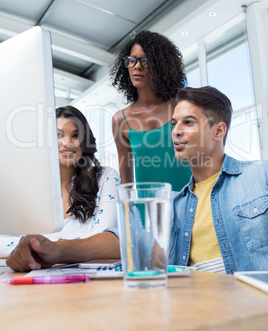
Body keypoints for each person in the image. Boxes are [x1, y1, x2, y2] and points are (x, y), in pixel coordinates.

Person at [5, 105, 120, 271]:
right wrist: (37, 249)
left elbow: (111, 241)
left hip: (88, 285)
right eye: (58, 135)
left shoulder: (105, 178)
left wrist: (52, 249)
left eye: (75, 135)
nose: (67, 143)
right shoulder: (23, 189)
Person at [169, 86, 268, 274]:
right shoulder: (174, 206)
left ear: (218, 131)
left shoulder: (262, 175)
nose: (176, 132)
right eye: (174, 124)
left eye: (188, 122)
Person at [110, 30, 191, 191]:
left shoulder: (183, 104)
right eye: (132, 60)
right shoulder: (120, 120)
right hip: (149, 212)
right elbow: (126, 183)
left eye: (145, 61)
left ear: (161, 65)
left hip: (192, 207)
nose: (137, 66)